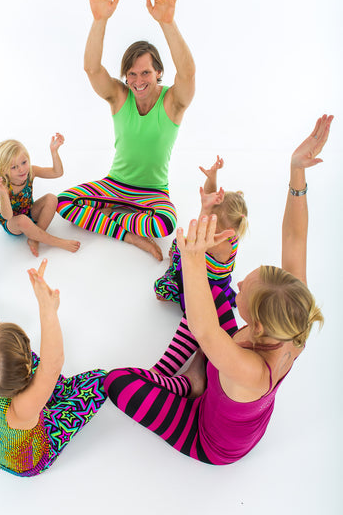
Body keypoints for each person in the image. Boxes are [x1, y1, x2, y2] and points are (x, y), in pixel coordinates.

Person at [104, 115, 332, 464]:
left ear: (256, 326)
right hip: (225, 374)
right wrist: (296, 172)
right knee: (212, 298)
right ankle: (198, 377)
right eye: (250, 277)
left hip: (208, 440)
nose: (238, 282)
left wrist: (193, 257)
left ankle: (190, 384)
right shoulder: (294, 318)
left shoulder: (251, 370)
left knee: (116, 383)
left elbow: (205, 330)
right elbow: (294, 238)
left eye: (244, 292)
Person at [0, 232, 107, 477]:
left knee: (36, 368)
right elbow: (52, 365)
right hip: (31, 461)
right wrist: (49, 311)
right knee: (100, 380)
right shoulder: (20, 410)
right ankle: (54, 394)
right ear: (22, 384)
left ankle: (44, 388)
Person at [57, 0, 196, 261]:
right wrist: (100, 20)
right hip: (115, 184)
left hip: (153, 192)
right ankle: (129, 233)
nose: (138, 80)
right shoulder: (120, 96)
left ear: (158, 71)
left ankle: (111, 217)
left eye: (145, 72)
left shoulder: (173, 102)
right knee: (65, 202)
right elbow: (92, 69)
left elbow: (188, 73)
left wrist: (167, 23)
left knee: (166, 224)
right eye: (131, 74)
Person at [152, 157, 248, 389]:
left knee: (160, 291)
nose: (205, 223)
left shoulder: (219, 243)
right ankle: (174, 264)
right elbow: (210, 195)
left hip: (202, 285)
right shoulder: (225, 230)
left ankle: (173, 275)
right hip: (198, 265)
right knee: (179, 245)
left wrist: (205, 208)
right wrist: (212, 176)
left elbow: (193, 248)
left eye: (210, 224)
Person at [0, 134, 80, 256]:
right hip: (12, 223)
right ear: (3, 170)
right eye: (14, 167)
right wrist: (2, 194)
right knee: (22, 220)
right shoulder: (3, 186)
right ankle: (56, 242)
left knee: (52, 198)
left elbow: (57, 172)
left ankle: (34, 238)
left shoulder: (31, 172)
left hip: (29, 212)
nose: (22, 169)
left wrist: (54, 152)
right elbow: (7, 216)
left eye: (24, 162)